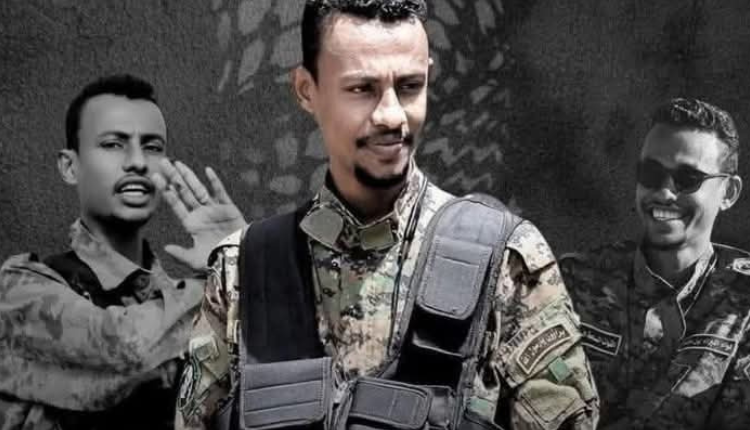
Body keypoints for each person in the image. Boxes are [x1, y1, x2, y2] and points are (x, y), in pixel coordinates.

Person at [176, 1, 598, 429]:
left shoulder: (504, 260)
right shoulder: (241, 271)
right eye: (362, 89)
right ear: (306, 90)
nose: (392, 115)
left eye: (410, 86)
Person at [0, 74, 245, 430]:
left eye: (152, 147)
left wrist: (239, 258)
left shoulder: (188, 303)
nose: (137, 162)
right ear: (70, 166)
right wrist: (233, 272)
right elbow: (124, 350)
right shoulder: (17, 292)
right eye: (113, 144)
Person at [560, 98, 750, 429]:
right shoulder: (572, 282)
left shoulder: (743, 305)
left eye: (687, 178)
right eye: (651, 174)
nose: (664, 192)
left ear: (729, 192)